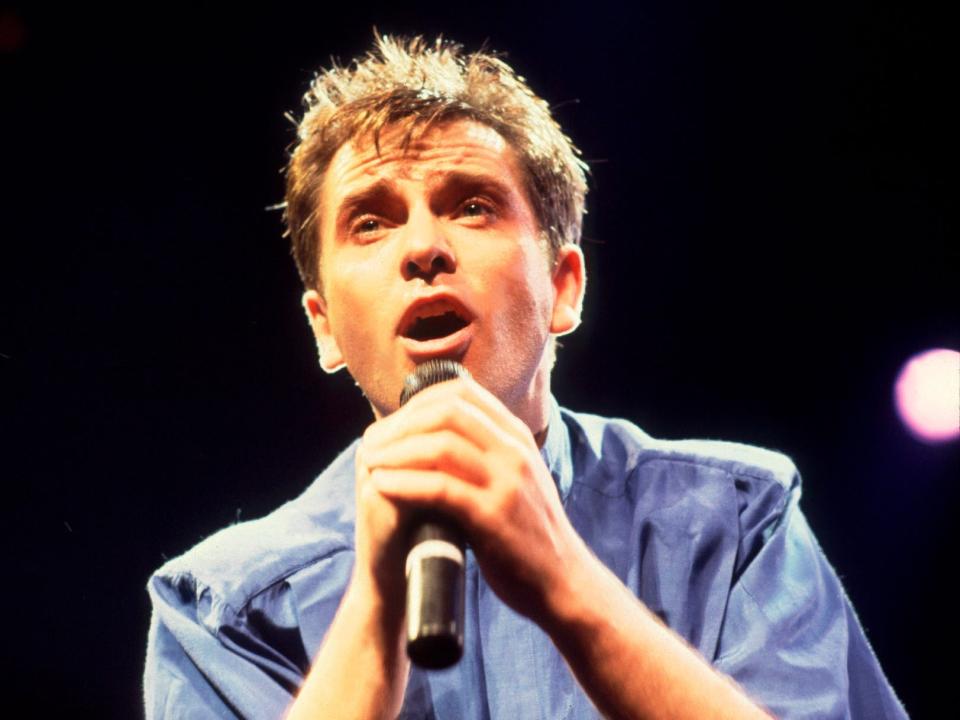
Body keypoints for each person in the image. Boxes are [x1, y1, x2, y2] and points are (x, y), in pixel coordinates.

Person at [143, 33, 908, 719]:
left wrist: (565, 580)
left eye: (472, 206)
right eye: (370, 221)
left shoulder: (733, 522)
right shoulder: (224, 604)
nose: (422, 249)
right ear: (323, 325)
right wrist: (375, 611)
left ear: (565, 287)